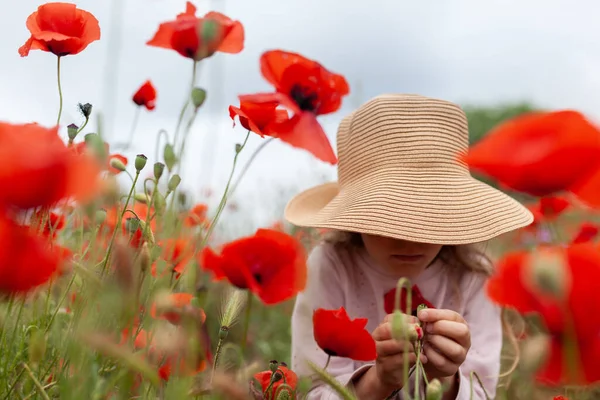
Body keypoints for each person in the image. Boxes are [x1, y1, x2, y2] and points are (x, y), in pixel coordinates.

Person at [284, 94, 533, 399]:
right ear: (355, 215)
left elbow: (482, 393)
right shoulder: (330, 266)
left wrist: (444, 379)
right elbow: (311, 391)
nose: (408, 238)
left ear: (453, 210)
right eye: (386, 215)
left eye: (429, 214)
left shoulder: (474, 275)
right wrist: (379, 380)